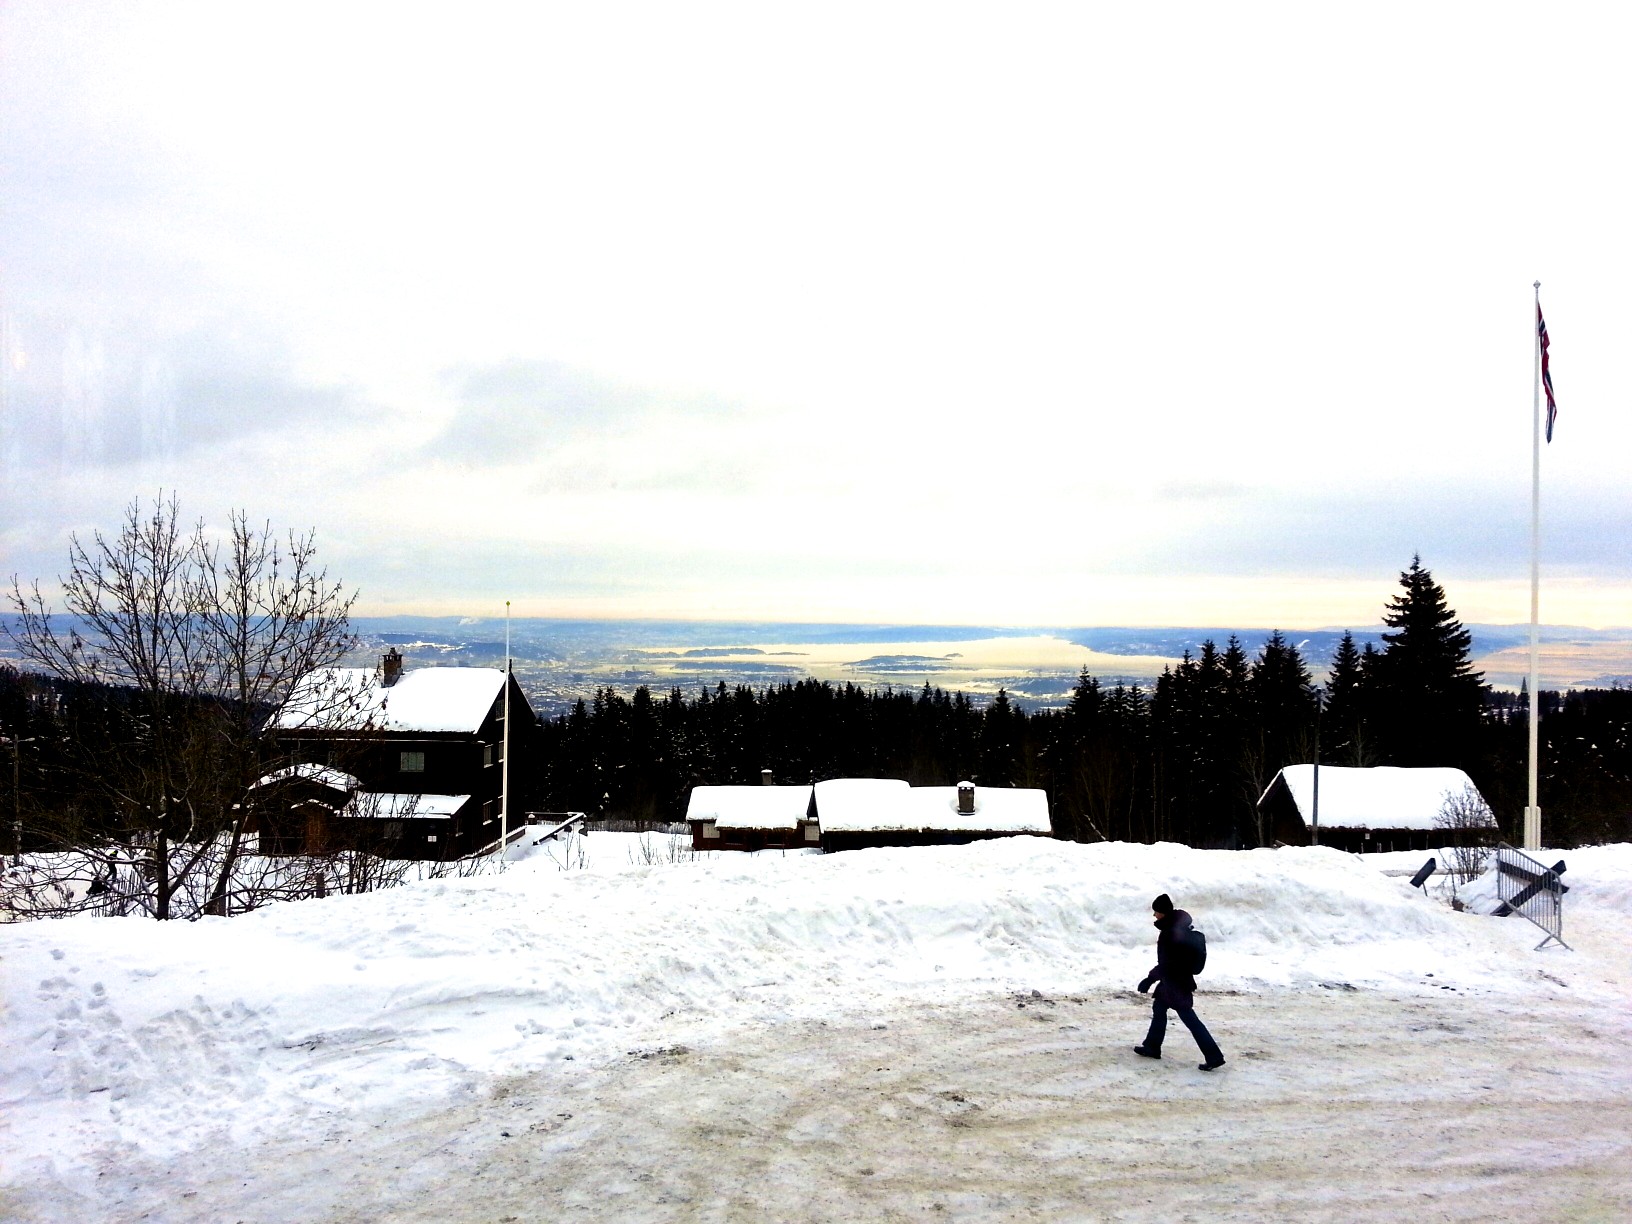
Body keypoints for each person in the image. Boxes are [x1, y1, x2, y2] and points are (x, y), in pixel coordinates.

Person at [1134, 893, 1225, 1071]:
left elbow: (1166, 964)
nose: (1154, 915)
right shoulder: (1179, 928)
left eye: (1156, 912)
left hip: (1175, 984)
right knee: (1159, 1008)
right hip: (1175, 981)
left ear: (1163, 912)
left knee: (1190, 1019)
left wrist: (1149, 979)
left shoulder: (1169, 933)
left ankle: (1214, 1056)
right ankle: (1152, 1046)